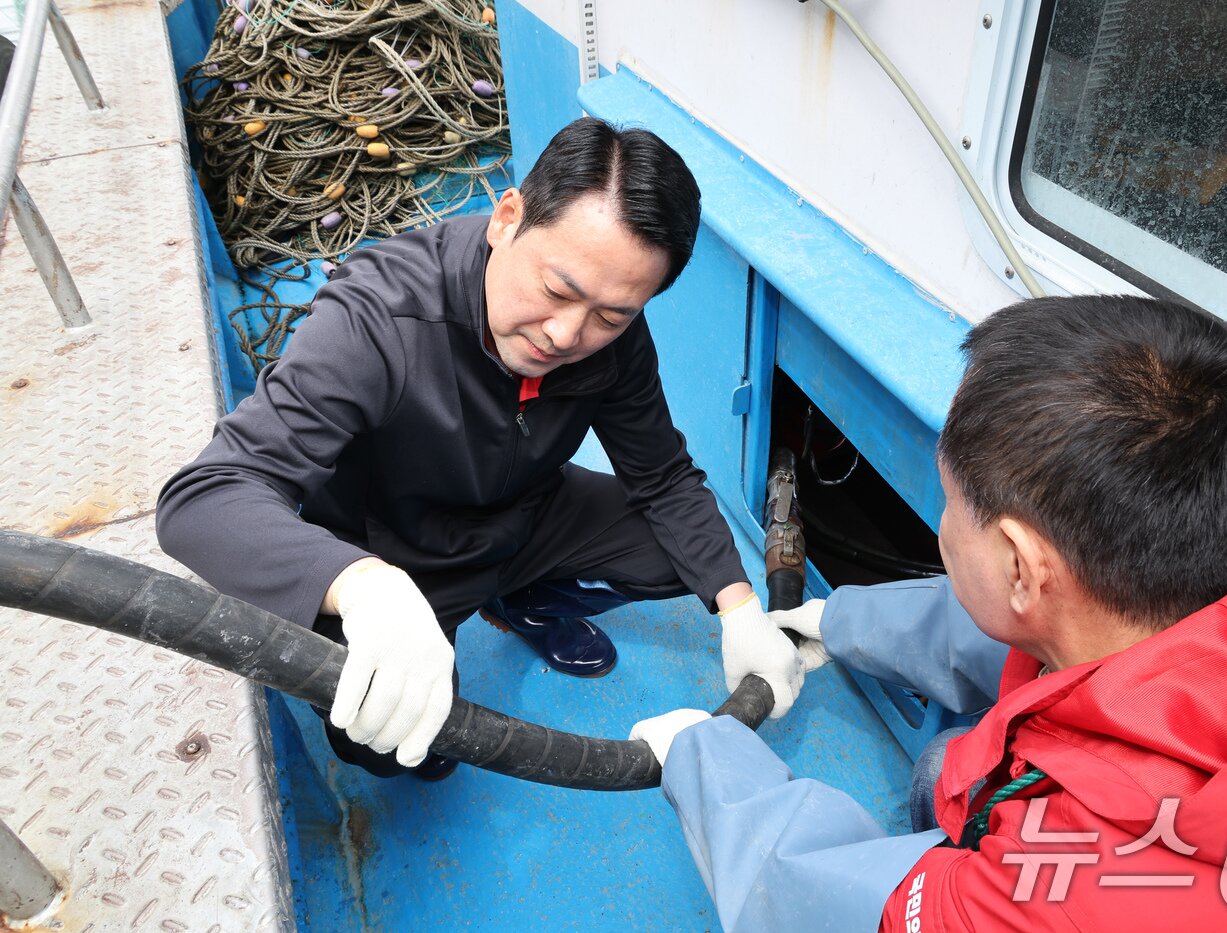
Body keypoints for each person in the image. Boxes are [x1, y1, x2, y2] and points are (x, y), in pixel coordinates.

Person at [630, 296, 1227, 931]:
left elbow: (825, 901)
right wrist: (837, 622)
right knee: (946, 769)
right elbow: (1012, 629)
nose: (941, 522)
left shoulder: (1048, 902)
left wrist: (701, 756)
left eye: (949, 502)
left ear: (1025, 567)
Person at [156, 117, 803, 781]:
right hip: (396, 556)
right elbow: (202, 500)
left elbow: (663, 478)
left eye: (611, 315)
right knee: (395, 745)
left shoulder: (615, 338)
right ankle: (430, 608)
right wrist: (364, 587)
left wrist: (741, 608)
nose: (565, 333)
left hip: (525, 516)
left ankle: (525, 596)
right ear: (506, 217)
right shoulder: (375, 318)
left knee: (694, 561)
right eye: (558, 289)